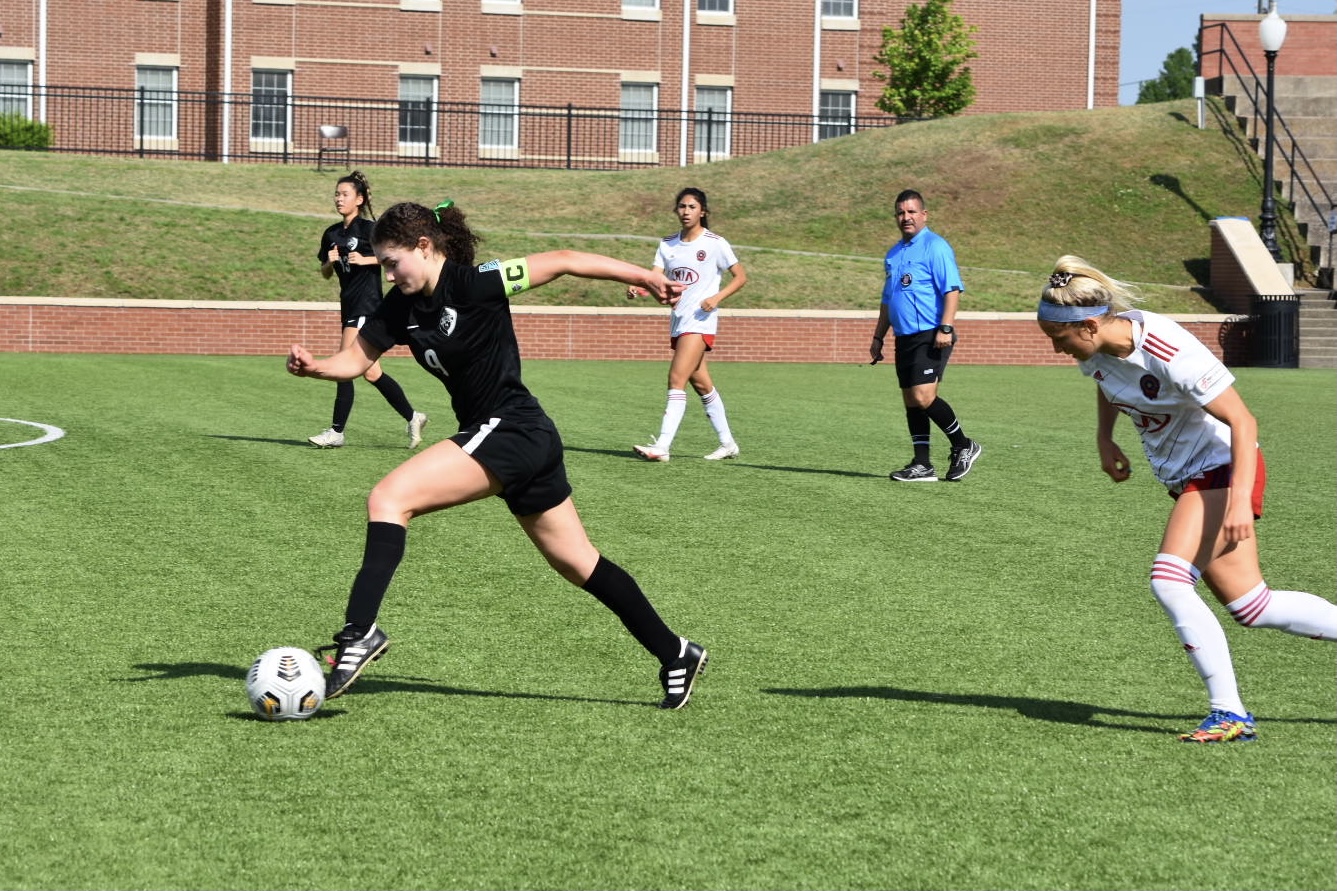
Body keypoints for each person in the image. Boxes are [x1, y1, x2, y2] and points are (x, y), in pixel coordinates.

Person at [286, 199, 709, 709]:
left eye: (394, 262)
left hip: (511, 429)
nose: (389, 273)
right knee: (579, 564)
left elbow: (565, 258)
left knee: (389, 499)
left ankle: (358, 635)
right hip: (509, 438)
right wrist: (317, 368)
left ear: (425, 247)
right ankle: (676, 652)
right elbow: (356, 358)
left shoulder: (475, 282)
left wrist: (648, 275)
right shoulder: (401, 305)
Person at [1036, 255, 1337, 743]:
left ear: (1089, 325)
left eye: (1060, 339)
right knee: (1254, 606)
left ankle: (1229, 714)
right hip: (1191, 480)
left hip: (1222, 468)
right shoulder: (1096, 351)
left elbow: (1243, 421)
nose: (1057, 349)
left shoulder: (1166, 347)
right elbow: (1107, 381)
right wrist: (1104, 437)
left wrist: (1239, 499)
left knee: (1169, 580)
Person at [309, 170, 428, 450]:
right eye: (336, 194)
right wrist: (329, 262)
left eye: (344, 194)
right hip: (348, 305)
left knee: (343, 365)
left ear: (359, 199)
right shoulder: (332, 234)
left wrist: (367, 260)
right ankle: (413, 416)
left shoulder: (370, 229)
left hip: (368, 305)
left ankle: (336, 432)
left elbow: (395, 255)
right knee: (371, 373)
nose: (339, 199)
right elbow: (326, 274)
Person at [628, 187, 747, 462]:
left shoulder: (715, 243)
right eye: (682, 207)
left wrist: (716, 298)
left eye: (692, 207)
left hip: (701, 321)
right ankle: (728, 443)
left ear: (702, 211)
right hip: (679, 321)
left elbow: (740, 277)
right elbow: (654, 277)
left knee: (675, 379)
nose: (686, 212)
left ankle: (662, 447)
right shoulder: (668, 244)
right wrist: (640, 289)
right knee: (702, 384)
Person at [870, 189, 981, 482]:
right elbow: (887, 299)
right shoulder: (894, 253)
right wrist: (878, 336)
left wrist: (945, 327)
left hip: (931, 333)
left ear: (924, 215)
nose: (905, 218)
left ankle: (963, 444)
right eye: (900, 213)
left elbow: (952, 289)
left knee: (924, 396)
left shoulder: (936, 246)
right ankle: (922, 465)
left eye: (911, 212)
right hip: (904, 336)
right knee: (911, 400)